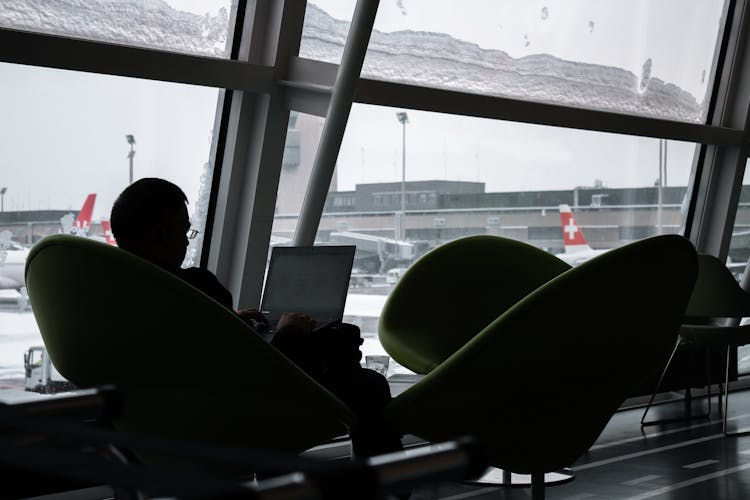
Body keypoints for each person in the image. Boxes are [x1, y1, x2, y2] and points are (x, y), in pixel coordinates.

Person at [109, 178, 403, 458]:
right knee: (368, 385)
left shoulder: (112, 294)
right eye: (185, 231)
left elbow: (184, 349)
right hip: (230, 418)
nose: (187, 242)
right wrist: (289, 334)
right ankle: (388, 486)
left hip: (155, 418)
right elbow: (257, 381)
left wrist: (229, 322)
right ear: (162, 234)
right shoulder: (195, 288)